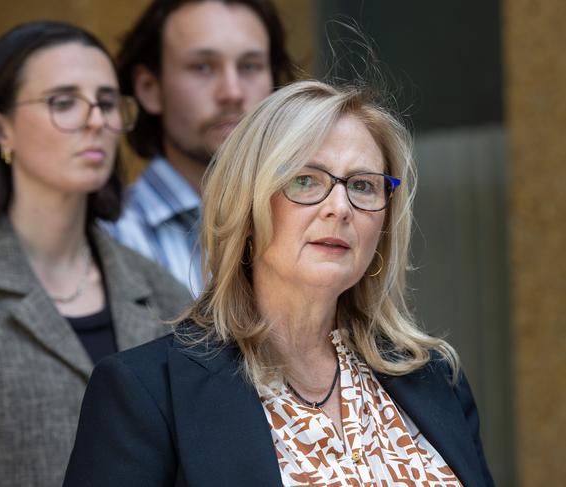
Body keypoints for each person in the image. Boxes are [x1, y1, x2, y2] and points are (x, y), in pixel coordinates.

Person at [63, 80, 495, 486]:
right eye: (306, 180)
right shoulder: (145, 394)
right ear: (246, 209)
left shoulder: (436, 377)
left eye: (363, 186)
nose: (340, 207)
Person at [0, 21, 191, 487]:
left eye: (106, 102)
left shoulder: (162, 291)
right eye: (63, 102)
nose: (95, 120)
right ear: (1, 129)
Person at [104, 0, 295, 295]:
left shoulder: (317, 213)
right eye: (203, 67)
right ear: (149, 88)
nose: (232, 92)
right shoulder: (107, 238)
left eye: (249, 66)